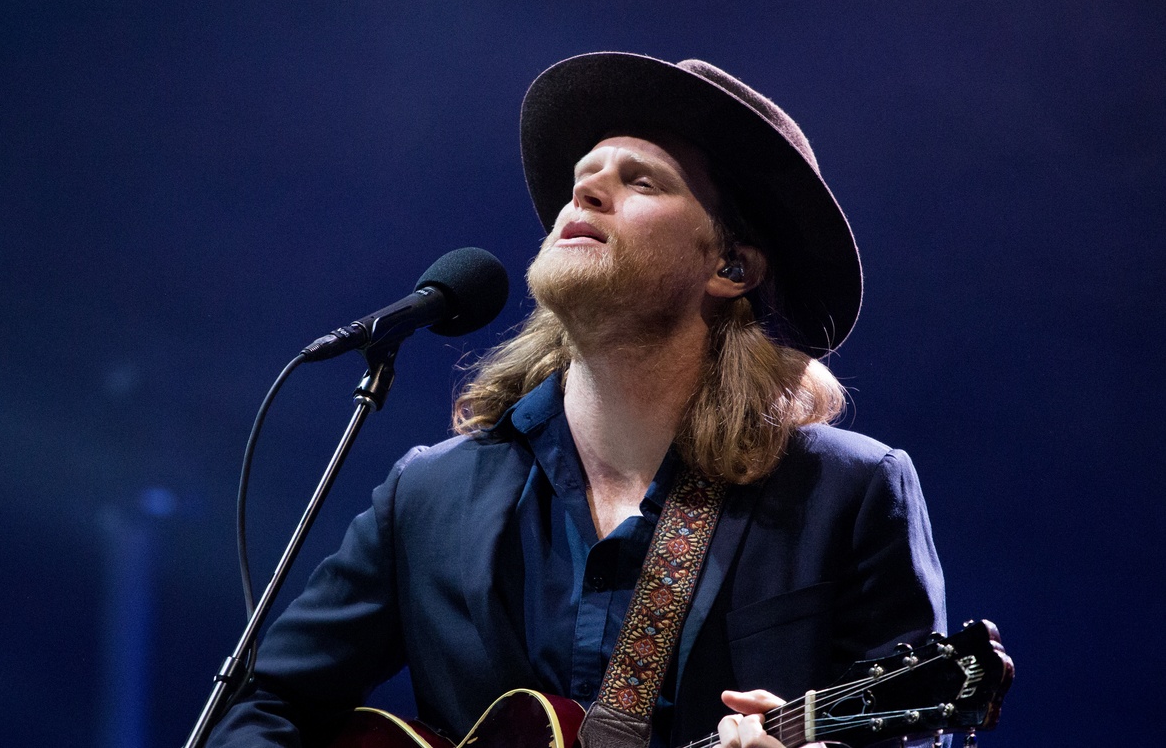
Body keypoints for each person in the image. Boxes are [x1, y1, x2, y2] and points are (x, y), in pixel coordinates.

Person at [207, 52, 946, 748]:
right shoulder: (427, 495)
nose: (585, 191)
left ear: (731, 265)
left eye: (642, 181)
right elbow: (264, 707)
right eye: (583, 176)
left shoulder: (848, 493)